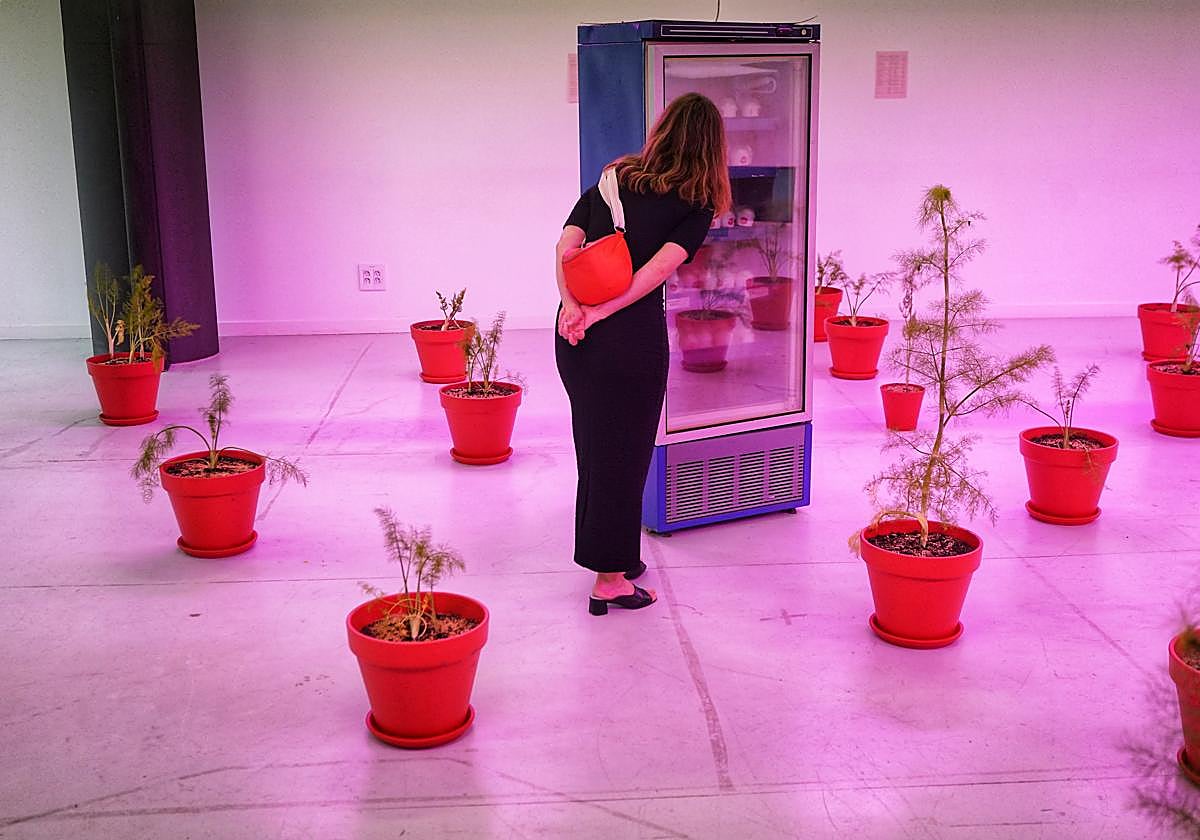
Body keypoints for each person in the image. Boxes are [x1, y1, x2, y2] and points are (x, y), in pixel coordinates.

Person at [554, 92, 732, 616]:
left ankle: (614, 555)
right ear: (711, 148)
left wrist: (573, 307)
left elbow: (566, 247)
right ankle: (608, 580)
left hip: (575, 334)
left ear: (663, 129)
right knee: (624, 455)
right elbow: (654, 274)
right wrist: (603, 314)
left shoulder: (616, 176)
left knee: (595, 447)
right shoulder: (696, 203)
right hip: (627, 336)